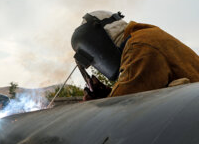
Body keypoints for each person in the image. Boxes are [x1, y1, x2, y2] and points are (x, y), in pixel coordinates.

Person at [71, 10, 199, 100]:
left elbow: (123, 105)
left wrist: (93, 106)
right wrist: (107, 94)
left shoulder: (139, 46)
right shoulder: (146, 35)